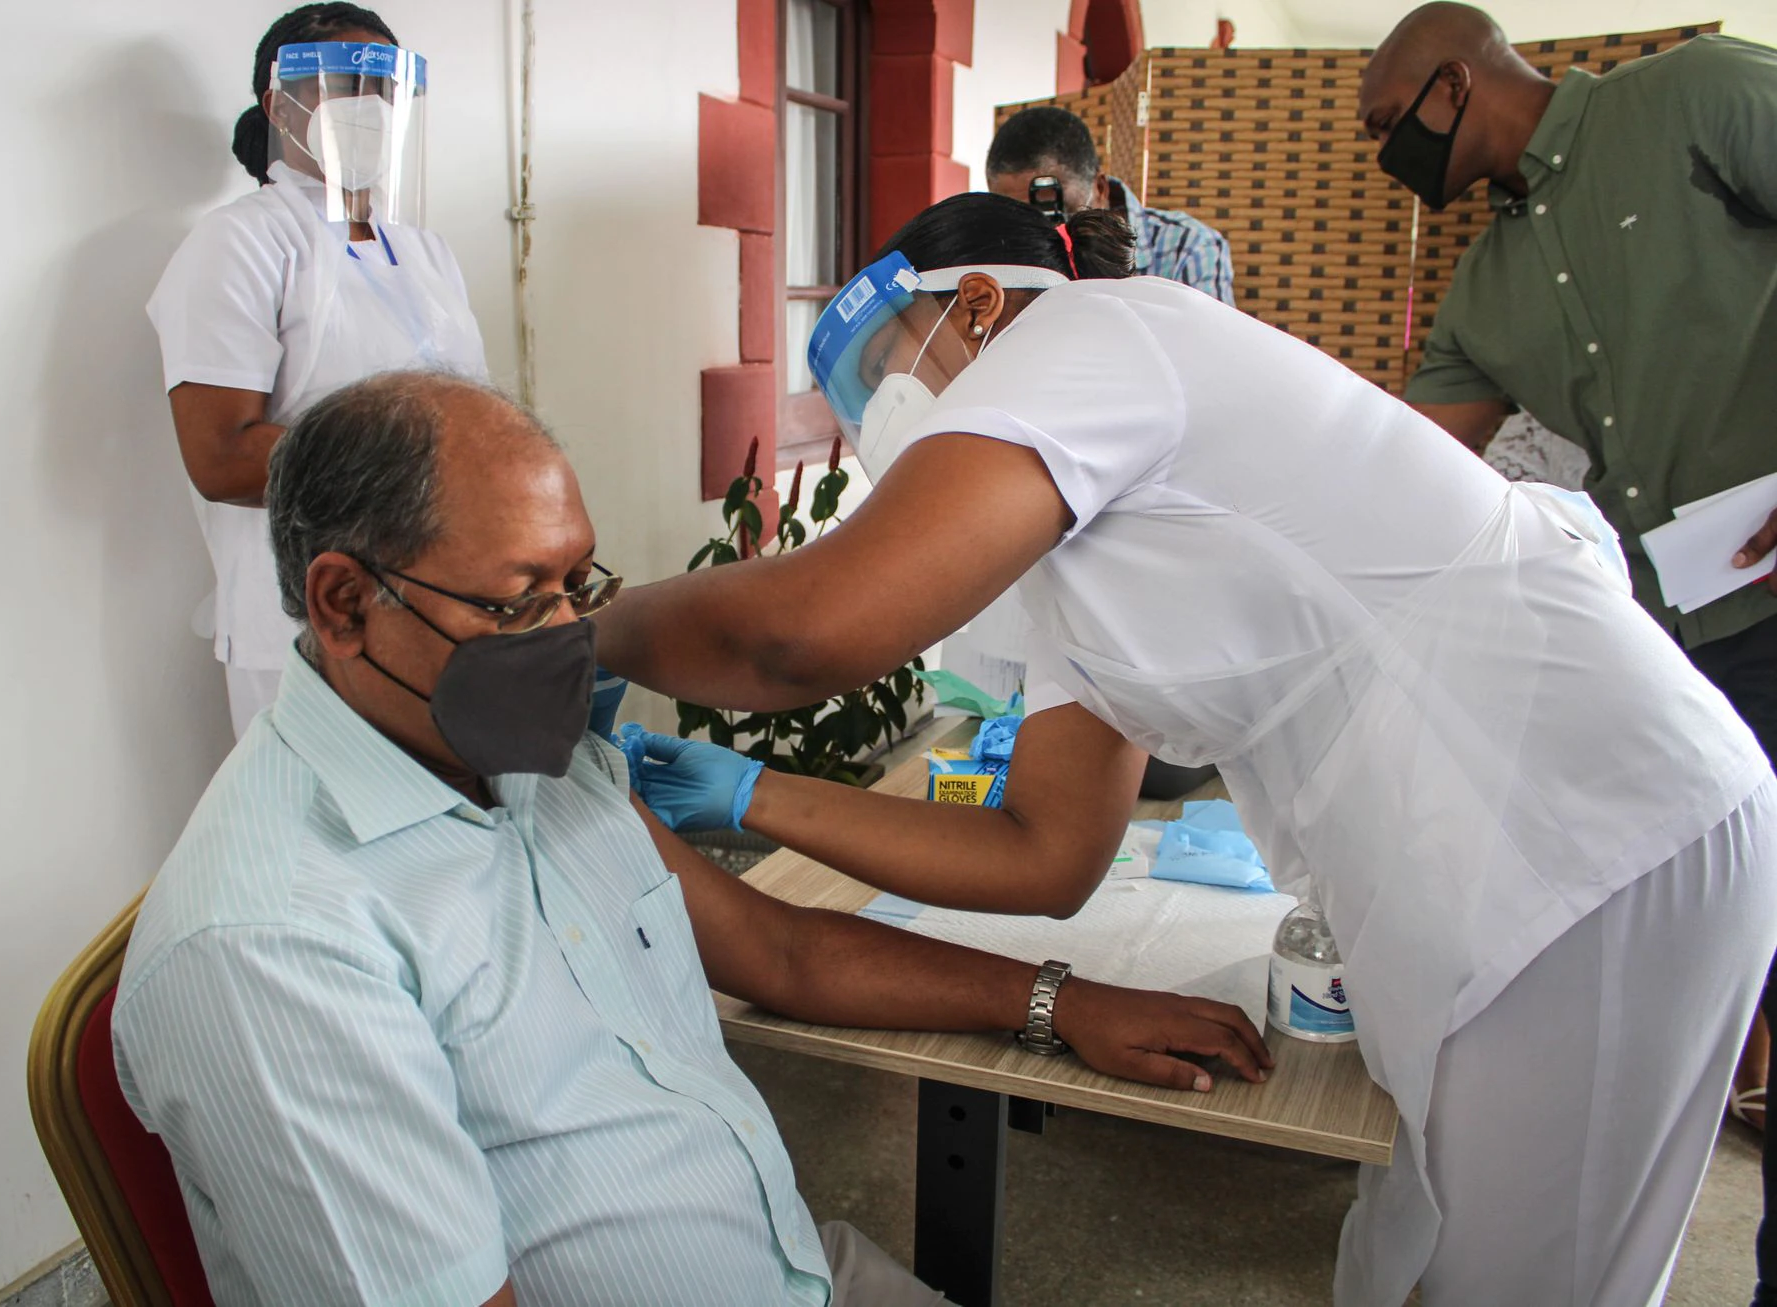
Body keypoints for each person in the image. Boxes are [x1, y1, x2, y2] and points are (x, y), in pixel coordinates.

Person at [591, 191, 1777, 1307]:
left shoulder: (1107, 333)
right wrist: (757, 794)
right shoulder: (1066, 532)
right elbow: (1044, 852)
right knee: (1409, 1248)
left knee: (1521, 1280)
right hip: (1472, 871)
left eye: (880, 366)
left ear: (979, 305)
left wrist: (591, 633)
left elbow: (808, 631)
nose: (876, 413)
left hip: (1584, 831)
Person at [111, 371, 1271, 1307]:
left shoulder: (527, 759)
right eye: (519, 599)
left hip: (791, 1264)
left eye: (579, 582)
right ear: (343, 602)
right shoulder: (274, 945)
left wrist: (1056, 1001)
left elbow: (780, 954)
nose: (569, 633)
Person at [1358, 7, 1777, 1299]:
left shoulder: (1696, 97)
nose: (1387, 159)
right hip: (1699, 641)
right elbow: (1391, 469)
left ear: (1456, 79)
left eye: (1387, 128)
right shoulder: (1488, 288)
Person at [148, 3, 487, 737]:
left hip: (440, 602)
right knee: (322, 844)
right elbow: (220, 457)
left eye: (382, 92)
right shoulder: (241, 243)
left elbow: (475, 419)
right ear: (280, 105)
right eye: (341, 85)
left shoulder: (426, 254)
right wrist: (422, 452)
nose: (367, 109)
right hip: (301, 626)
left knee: (441, 838)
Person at [986, 105, 1235, 306]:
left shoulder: (1187, 248)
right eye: (1018, 217)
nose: (1040, 232)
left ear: (1100, 188)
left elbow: (1212, 361)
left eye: (1054, 214)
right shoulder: (997, 256)